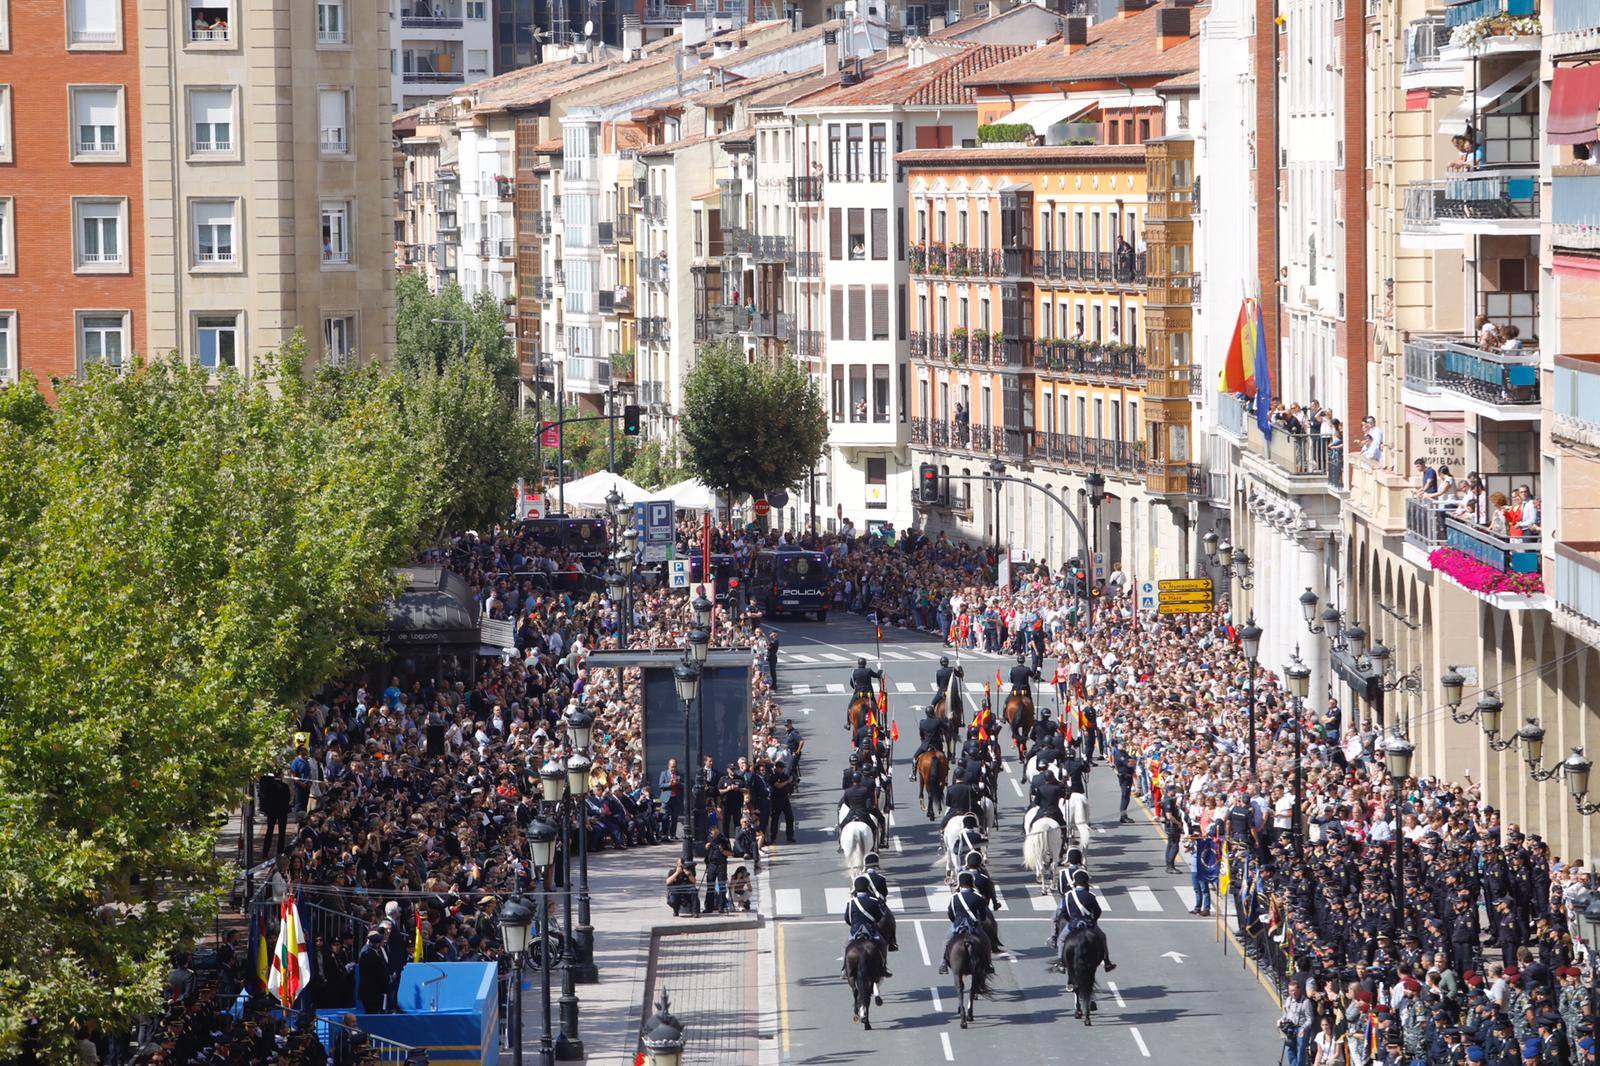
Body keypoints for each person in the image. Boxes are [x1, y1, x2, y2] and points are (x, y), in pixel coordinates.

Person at [939, 868, 995, 977]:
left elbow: (951, 913)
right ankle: (988, 964)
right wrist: (980, 921)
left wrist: (955, 921)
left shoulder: (954, 897)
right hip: (973, 926)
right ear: (971, 882)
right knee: (987, 941)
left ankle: (943, 964)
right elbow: (983, 915)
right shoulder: (978, 897)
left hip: (958, 924)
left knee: (946, 941)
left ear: (960, 883)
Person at [842, 873, 893, 978]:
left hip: (855, 930)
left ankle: (844, 969)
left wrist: (854, 925)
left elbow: (848, 918)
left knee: (846, 946)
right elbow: (879, 917)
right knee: (883, 944)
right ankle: (884, 967)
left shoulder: (851, 902)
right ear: (867, 887)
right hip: (870, 930)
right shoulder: (873, 901)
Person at [861, 852, 899, 951]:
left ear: (865, 864)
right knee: (891, 920)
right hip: (879, 905)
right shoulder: (881, 878)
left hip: (865, 906)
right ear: (876, 865)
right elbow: (885, 893)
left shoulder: (860, 878)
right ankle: (892, 942)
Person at [1281, 980, 1314, 1066]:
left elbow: (1310, 1019)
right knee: (1290, 1049)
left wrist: (1303, 1028)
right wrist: (1282, 1020)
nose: (1293, 993)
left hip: (1301, 1027)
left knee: (1301, 1049)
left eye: (1295, 990)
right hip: (1291, 1027)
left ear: (1299, 990)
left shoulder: (1306, 1002)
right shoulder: (1288, 1000)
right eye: (1291, 991)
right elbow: (1286, 1013)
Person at [658, 757, 683, 841]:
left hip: (676, 798)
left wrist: (677, 783)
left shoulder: (679, 775)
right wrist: (669, 784)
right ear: (668, 766)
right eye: (672, 767)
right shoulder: (664, 774)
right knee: (665, 816)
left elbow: (684, 786)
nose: (673, 768)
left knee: (674, 817)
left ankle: (672, 834)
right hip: (666, 799)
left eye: (675, 767)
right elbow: (660, 785)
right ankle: (664, 834)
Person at [1113, 745, 1136, 824]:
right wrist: (1133, 761)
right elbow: (1129, 764)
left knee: (1126, 797)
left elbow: (1132, 761)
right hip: (1124, 777)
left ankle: (1124, 815)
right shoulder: (1120, 754)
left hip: (1128, 777)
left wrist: (1132, 761)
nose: (1124, 745)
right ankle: (1123, 816)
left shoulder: (1124, 753)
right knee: (1125, 796)